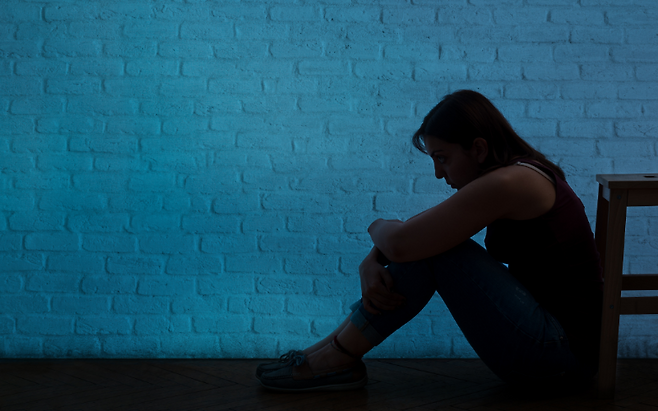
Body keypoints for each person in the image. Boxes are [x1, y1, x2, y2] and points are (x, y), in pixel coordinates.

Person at [256, 90, 603, 392]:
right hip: (552, 347)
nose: (438, 173)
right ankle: (329, 352)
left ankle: (336, 357)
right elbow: (418, 233)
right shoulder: (517, 175)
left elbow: (404, 241)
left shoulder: (511, 183)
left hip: (561, 358)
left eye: (442, 158)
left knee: (440, 253)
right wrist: (372, 259)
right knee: (432, 247)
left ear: (479, 149)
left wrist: (375, 227)